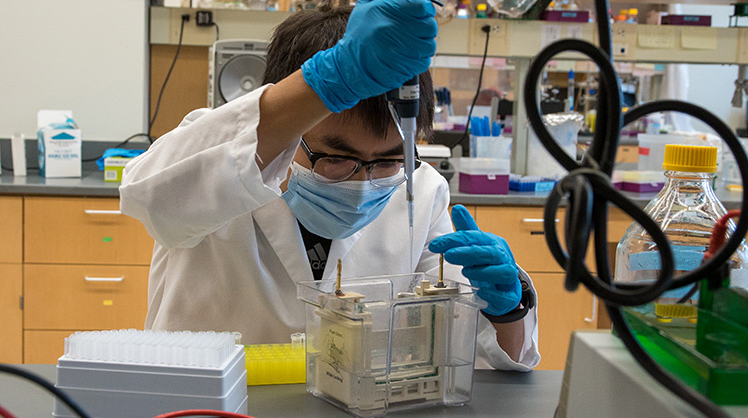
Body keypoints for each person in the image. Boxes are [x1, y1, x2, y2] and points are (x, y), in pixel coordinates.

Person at [120, 0, 539, 371]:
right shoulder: (215, 153)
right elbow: (148, 199)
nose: (363, 181)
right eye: (337, 158)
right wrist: (332, 79)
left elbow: (477, 357)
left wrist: (507, 310)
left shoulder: (421, 190)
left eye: (391, 159)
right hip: (207, 404)